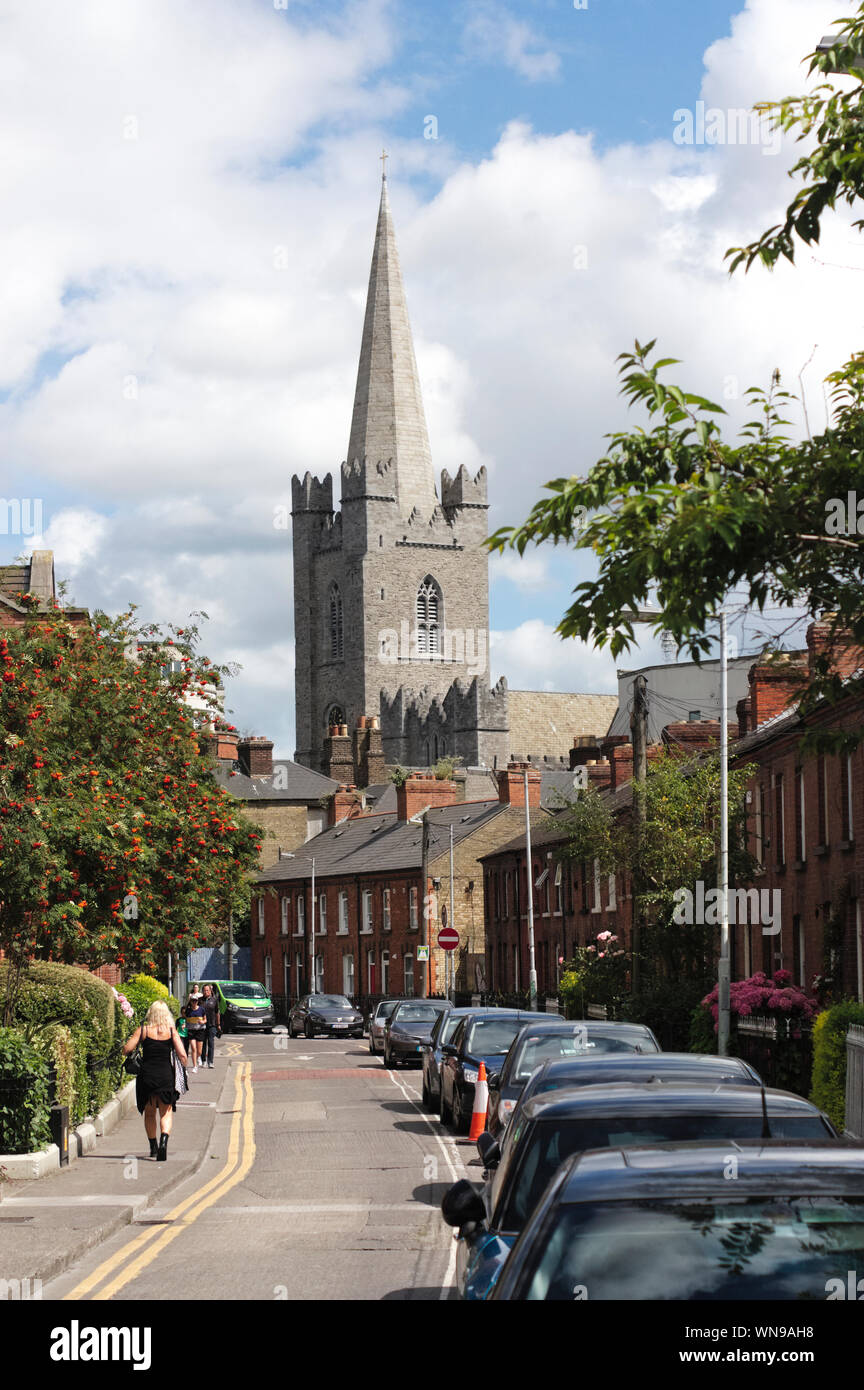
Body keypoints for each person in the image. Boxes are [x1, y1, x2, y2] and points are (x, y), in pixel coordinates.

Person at [123, 1000, 187, 1161]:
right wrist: (183, 1068)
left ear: (150, 1014)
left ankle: (153, 1147)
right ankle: (164, 1142)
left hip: (147, 1076)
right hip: (166, 1075)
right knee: (166, 1112)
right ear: (167, 1015)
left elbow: (127, 1049)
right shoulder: (172, 1031)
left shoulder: (143, 1030)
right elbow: (183, 1055)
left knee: (150, 1113)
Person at [184, 987, 207, 1072]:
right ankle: (195, 1066)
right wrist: (184, 1025)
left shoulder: (201, 1009)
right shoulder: (188, 1011)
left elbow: (205, 1020)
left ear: (197, 1001)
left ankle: (199, 1057)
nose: (194, 1002)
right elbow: (185, 1019)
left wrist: (203, 1022)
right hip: (191, 1031)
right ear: (190, 1001)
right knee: (193, 1048)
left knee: (199, 1051)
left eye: (195, 1001)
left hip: (200, 1031)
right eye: (192, 1001)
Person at [201, 983, 221, 1069]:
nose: (206, 992)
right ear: (202, 991)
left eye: (207, 990)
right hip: (201, 1025)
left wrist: (218, 1024)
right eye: (204, 990)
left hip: (211, 1025)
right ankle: (203, 1061)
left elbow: (217, 1013)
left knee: (211, 1043)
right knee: (203, 1044)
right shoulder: (199, 1000)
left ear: (210, 991)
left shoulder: (214, 1000)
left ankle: (211, 1061)